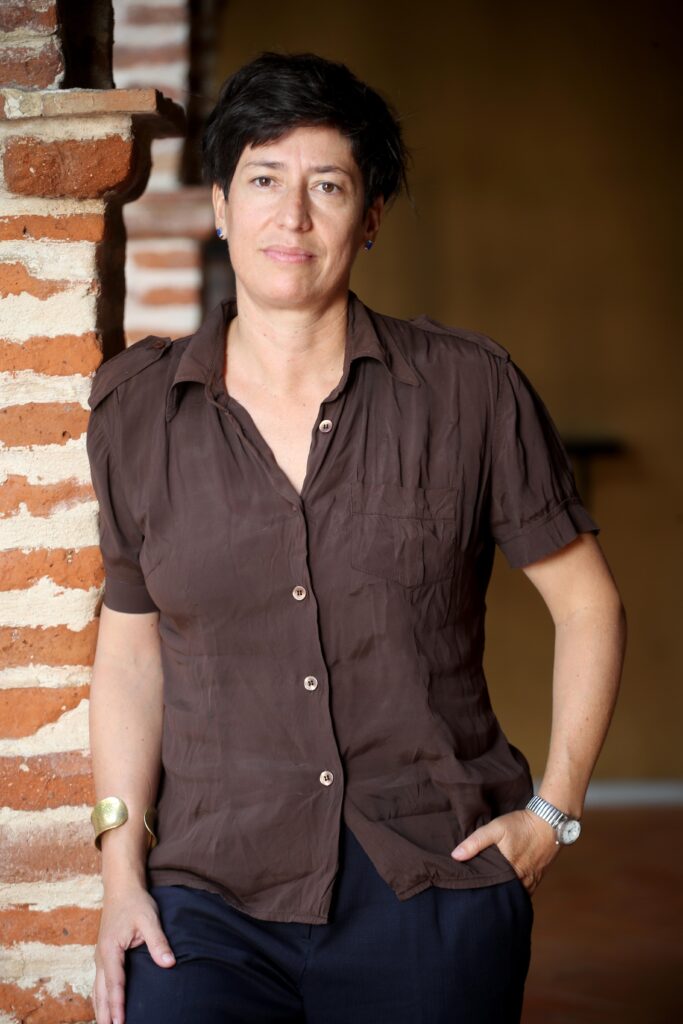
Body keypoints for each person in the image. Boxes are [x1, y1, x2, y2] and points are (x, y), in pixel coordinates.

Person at [86, 51, 626, 1024]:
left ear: (369, 216)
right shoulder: (136, 414)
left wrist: (552, 815)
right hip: (210, 896)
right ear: (219, 206)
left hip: (431, 878)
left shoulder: (468, 390)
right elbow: (129, 653)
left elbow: (587, 604)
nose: (291, 218)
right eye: (263, 180)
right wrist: (121, 869)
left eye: (327, 186)